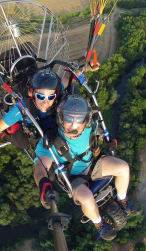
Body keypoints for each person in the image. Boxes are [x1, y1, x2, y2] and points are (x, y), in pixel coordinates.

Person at [33, 96, 139, 241]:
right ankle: (99, 223)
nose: (73, 126)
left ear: (85, 121)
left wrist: (105, 138)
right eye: (69, 119)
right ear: (61, 119)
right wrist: (43, 183)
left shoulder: (89, 127)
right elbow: (41, 166)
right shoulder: (50, 141)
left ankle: (122, 200)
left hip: (93, 165)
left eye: (78, 121)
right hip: (74, 178)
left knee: (123, 168)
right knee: (86, 197)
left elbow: (97, 130)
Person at [0, 69, 63, 149]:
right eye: (41, 96)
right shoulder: (22, 108)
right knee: (24, 144)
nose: (45, 102)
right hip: (39, 137)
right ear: (33, 94)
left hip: (53, 133)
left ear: (55, 96)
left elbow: (65, 82)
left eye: (50, 97)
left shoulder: (58, 99)